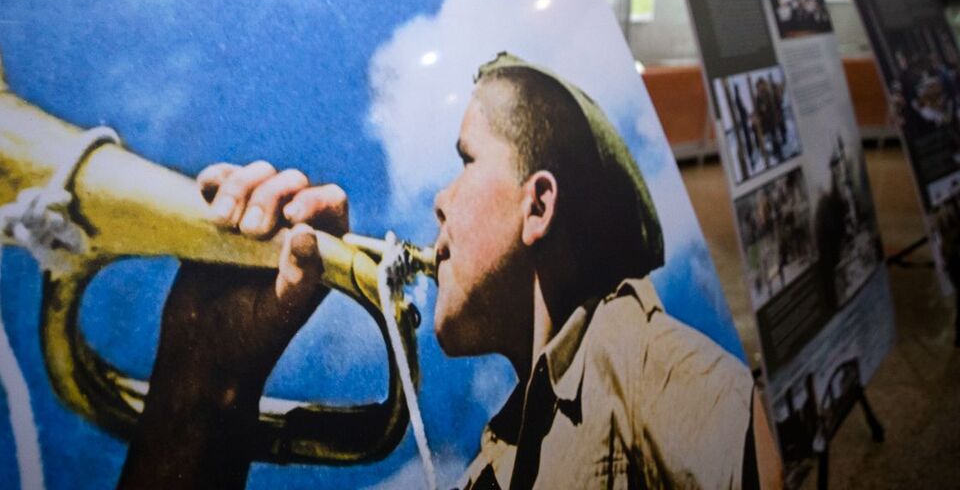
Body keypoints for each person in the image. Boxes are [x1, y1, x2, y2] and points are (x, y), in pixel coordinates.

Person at [117, 54, 778, 488]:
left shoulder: (642, 360)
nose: (439, 200)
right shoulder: (495, 464)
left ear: (538, 206)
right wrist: (205, 384)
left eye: (466, 161)